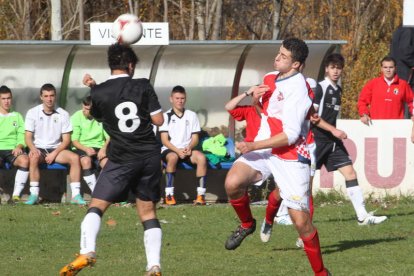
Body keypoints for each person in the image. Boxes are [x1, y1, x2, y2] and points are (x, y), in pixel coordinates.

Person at [224, 38, 330, 275]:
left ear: (295, 65)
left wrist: (253, 145)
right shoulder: (271, 78)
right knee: (232, 183)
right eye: (278, 53)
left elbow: (290, 136)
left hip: (290, 155)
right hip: (264, 147)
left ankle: (321, 273)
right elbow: (266, 112)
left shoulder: (300, 91)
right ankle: (247, 224)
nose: (277, 58)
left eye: (283, 56)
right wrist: (254, 100)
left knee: (301, 223)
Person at [60, 43, 164, 276]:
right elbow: (158, 121)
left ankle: (87, 251)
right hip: (148, 156)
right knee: (148, 212)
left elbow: (99, 113)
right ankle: (154, 266)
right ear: (131, 65)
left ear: (110, 65)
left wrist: (95, 88)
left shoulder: (98, 92)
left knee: (96, 206)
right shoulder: (143, 85)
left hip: (120, 158)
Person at [314, 53, 387, 225]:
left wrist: (334, 133)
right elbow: (313, 117)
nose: (336, 71)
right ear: (326, 69)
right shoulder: (320, 88)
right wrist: (334, 130)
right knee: (302, 180)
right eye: (333, 67)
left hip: (332, 142)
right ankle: (280, 213)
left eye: (339, 68)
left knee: (350, 173)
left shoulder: (338, 90)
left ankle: (362, 216)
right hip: (317, 141)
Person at [24, 83, 84, 205]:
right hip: (39, 148)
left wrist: (54, 153)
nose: (49, 99)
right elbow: (28, 137)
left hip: (57, 149)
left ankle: (76, 195)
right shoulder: (32, 112)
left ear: (55, 96)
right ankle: (34, 195)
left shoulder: (63, 114)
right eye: (46, 96)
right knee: (33, 157)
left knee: (75, 158)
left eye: (51, 95)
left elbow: (66, 140)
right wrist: (33, 148)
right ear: (41, 97)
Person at [159, 85, 207, 206]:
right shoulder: (165, 116)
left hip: (187, 150)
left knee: (201, 158)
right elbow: (164, 140)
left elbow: (195, 138)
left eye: (182, 98)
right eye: (177, 98)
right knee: (173, 157)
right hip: (170, 149)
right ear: (171, 99)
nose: (180, 101)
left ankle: (201, 196)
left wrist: (189, 147)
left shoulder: (191, 115)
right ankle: (169, 195)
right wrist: (177, 151)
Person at [358, 56, 414, 125]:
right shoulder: (373, 83)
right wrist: (364, 114)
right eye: (385, 67)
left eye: (391, 67)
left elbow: (412, 101)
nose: (388, 70)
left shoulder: (403, 85)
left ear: (395, 68)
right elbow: (362, 101)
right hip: (375, 125)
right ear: (381, 69)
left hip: (396, 126)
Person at [70, 96, 109, 193]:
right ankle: (96, 192)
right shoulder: (76, 117)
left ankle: (112, 193)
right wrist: (86, 149)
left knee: (108, 164)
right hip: (81, 147)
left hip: (99, 147)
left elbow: (109, 137)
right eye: (84, 108)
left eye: (88, 109)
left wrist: (103, 149)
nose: (85, 111)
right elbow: (74, 140)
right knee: (86, 161)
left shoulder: (101, 117)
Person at [0, 85, 29, 203]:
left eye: (8, 98)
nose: (6, 101)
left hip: (12, 149)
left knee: (25, 160)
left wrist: (19, 146)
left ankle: (16, 195)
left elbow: (22, 135)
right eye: (3, 99)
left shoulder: (17, 116)